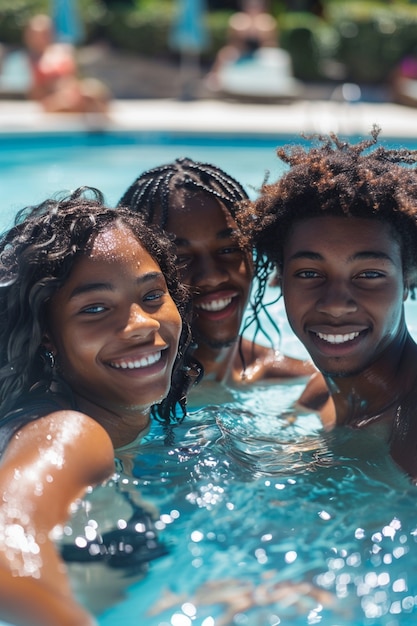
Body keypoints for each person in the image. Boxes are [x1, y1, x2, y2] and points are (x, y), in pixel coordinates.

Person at [0, 187, 198, 626]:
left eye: (152, 297)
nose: (141, 325)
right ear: (47, 334)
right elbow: (5, 556)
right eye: (94, 308)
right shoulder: (69, 433)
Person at [235, 126, 417, 479]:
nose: (335, 304)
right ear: (280, 278)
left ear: (409, 279)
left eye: (369, 274)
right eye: (309, 274)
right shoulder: (321, 394)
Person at [118, 157, 319, 408]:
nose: (212, 276)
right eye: (179, 258)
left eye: (228, 249)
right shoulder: (117, 390)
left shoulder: (301, 381)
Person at [23, 13, 110, 114]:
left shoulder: (62, 51)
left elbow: (73, 77)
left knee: (95, 91)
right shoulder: (29, 59)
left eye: (46, 33)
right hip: (52, 99)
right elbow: (34, 91)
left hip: (70, 92)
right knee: (72, 102)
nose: (42, 37)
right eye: (38, 34)